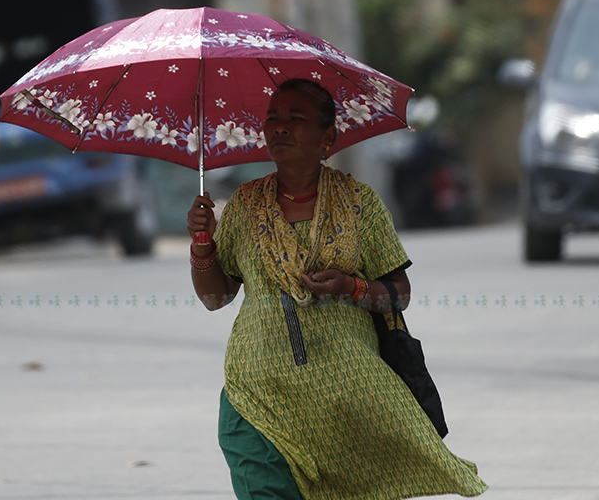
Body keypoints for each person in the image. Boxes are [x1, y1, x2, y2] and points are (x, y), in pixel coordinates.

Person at [186, 78, 487, 500]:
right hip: (258, 398)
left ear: (328, 137)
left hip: (349, 408)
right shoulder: (243, 205)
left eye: (296, 118)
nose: (281, 127)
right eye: (273, 118)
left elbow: (400, 293)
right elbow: (215, 298)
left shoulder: (360, 203)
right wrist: (203, 244)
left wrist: (353, 286)